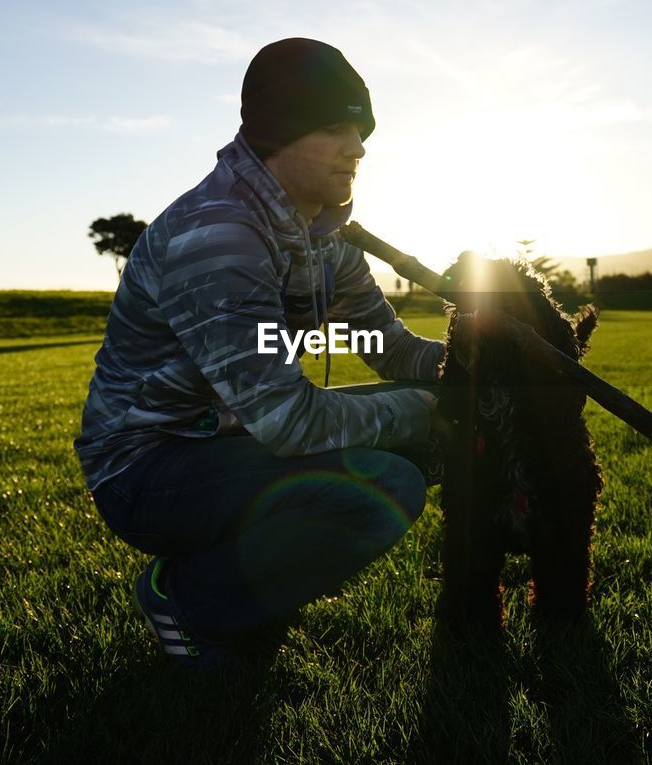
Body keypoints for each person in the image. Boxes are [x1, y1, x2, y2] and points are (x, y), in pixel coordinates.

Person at [74, 38, 446, 668]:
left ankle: (247, 587)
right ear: (278, 133)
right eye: (334, 127)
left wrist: (475, 367)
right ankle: (186, 598)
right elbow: (289, 421)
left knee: (442, 425)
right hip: (149, 466)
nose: (358, 148)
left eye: (361, 130)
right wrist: (432, 407)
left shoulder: (327, 233)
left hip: (233, 437)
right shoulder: (218, 235)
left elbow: (390, 348)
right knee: (386, 485)